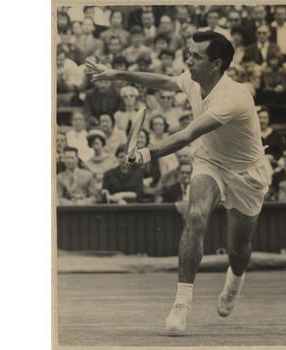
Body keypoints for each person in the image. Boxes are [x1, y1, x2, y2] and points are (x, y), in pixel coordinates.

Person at [85, 30, 272, 335]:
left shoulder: (234, 98)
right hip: (210, 161)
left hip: (247, 174)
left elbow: (186, 136)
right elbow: (163, 81)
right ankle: (181, 303)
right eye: (189, 53)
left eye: (196, 56)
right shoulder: (193, 79)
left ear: (217, 63)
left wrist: (145, 154)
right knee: (196, 216)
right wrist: (117, 73)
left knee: (238, 249)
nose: (188, 60)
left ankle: (235, 279)